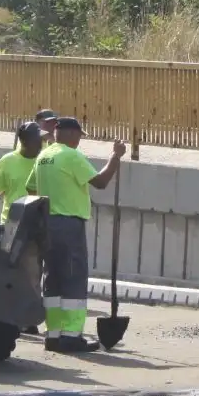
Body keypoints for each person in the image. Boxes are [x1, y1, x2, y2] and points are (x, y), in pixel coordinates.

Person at [27, 116, 125, 353]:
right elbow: (100, 182)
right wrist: (115, 156)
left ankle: (53, 335)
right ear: (71, 134)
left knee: (52, 279)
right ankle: (71, 336)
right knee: (73, 277)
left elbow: (31, 187)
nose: (79, 140)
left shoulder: (44, 156)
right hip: (68, 224)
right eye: (79, 136)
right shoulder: (71, 156)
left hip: (47, 223)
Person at [0, 122, 43, 224]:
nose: (40, 144)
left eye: (41, 140)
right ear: (24, 141)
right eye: (36, 141)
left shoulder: (44, 161)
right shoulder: (7, 161)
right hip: (11, 224)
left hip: (37, 225)